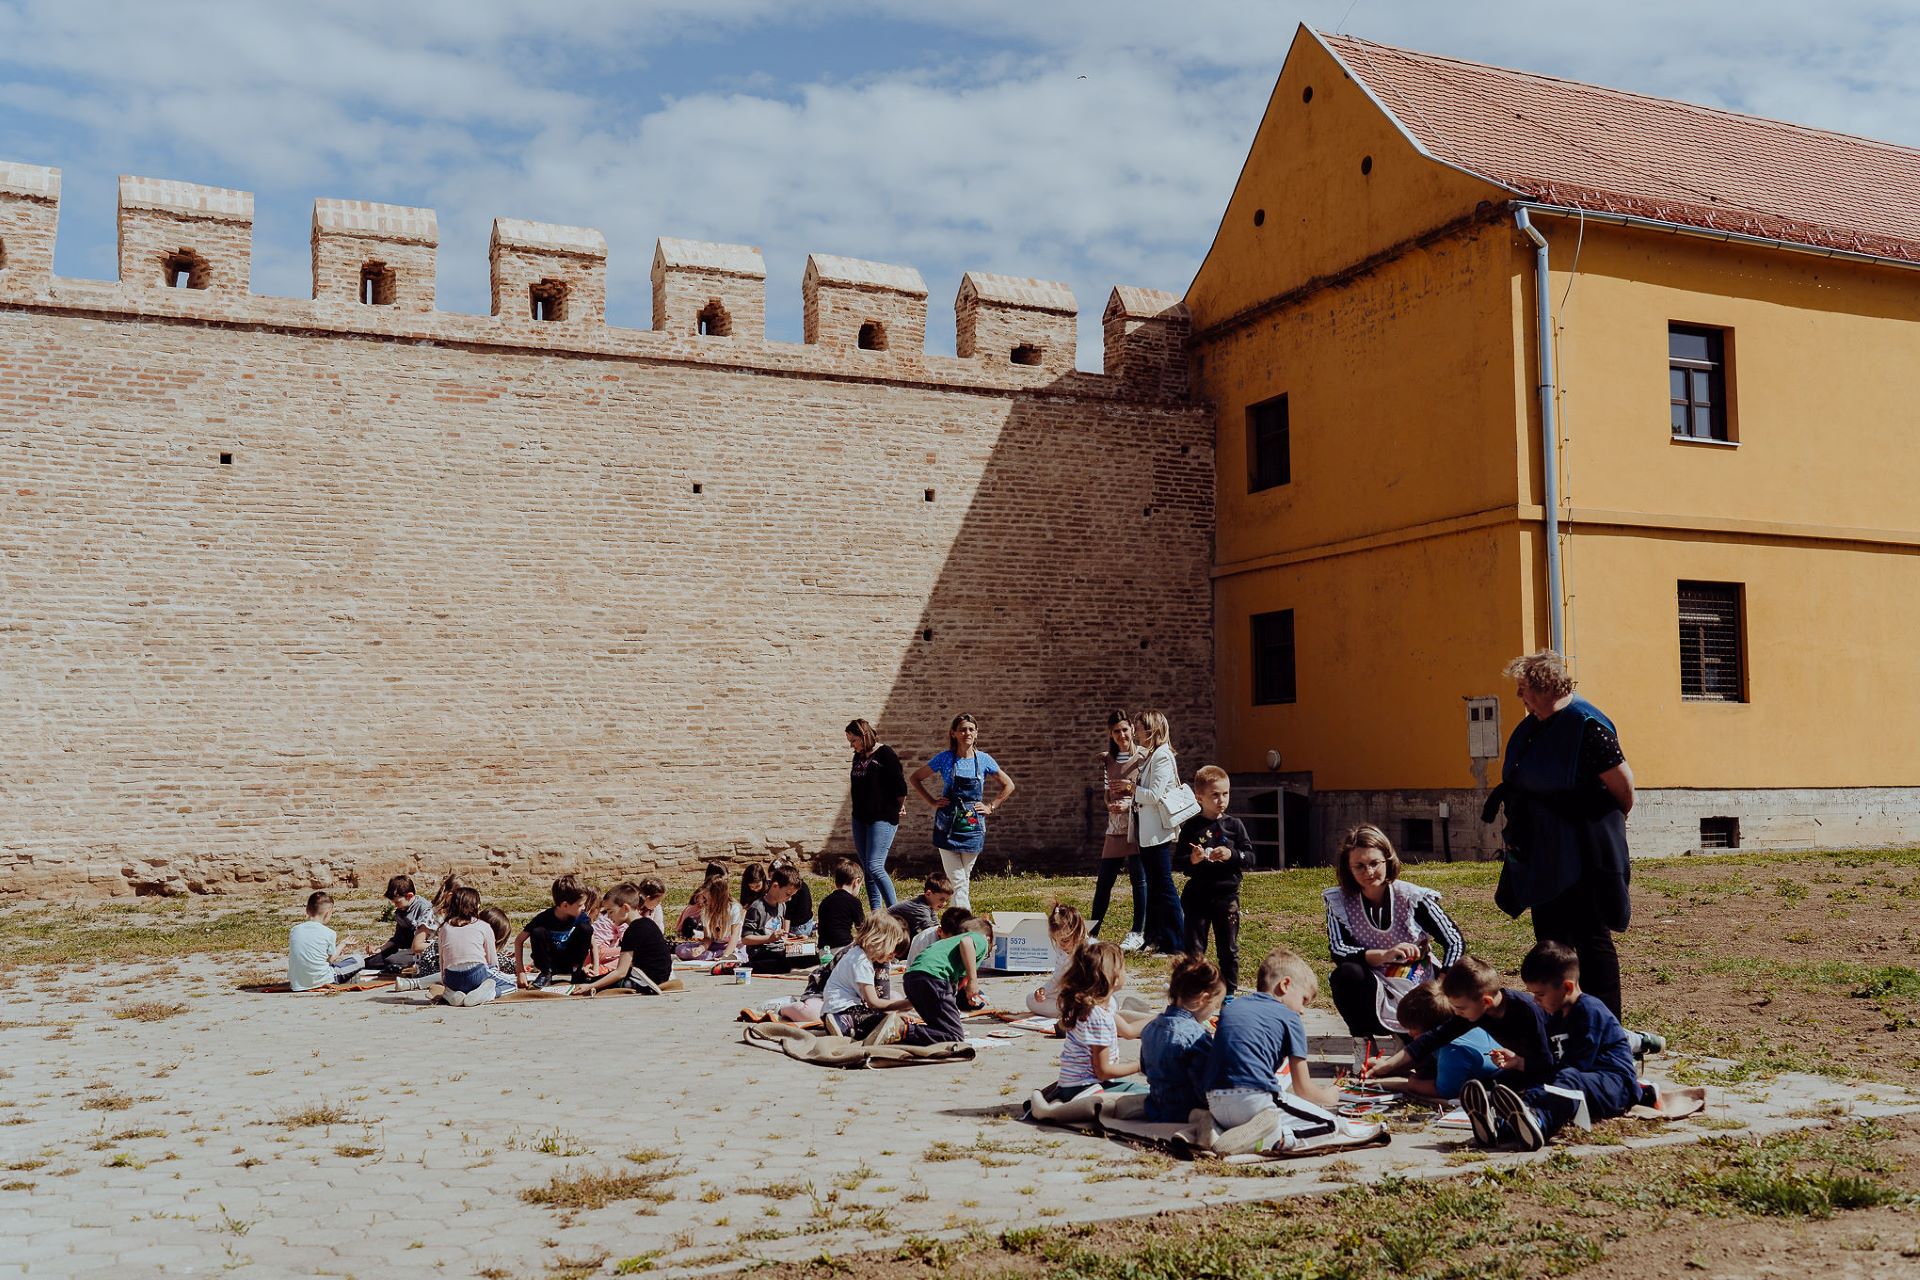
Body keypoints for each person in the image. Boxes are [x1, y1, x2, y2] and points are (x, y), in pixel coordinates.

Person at [1485, 649, 1634, 1020]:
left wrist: (1600, 826)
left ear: (1546, 686)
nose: (1520, 697)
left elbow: (1623, 788)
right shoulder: (1535, 726)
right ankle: (1559, 1017)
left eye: (1524, 689)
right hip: (1542, 852)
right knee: (1551, 939)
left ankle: (1604, 1022)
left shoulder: (1587, 725)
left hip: (1583, 853)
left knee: (1590, 938)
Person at [1200, 947, 1386, 1154]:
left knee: (1279, 1104)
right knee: (1332, 1125)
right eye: (1304, 1000)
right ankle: (1275, 1138)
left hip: (1214, 1101)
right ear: (1285, 985)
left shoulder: (1233, 1007)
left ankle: (1216, 1129)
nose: (1302, 1010)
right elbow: (1303, 1090)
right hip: (1254, 1099)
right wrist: (1330, 1096)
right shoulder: (1289, 1018)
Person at [1462, 941, 1643, 1151]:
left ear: (1567, 987)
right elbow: (1549, 1063)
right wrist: (1521, 1063)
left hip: (1614, 1086)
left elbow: (1576, 1066)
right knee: (1514, 1079)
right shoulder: (1552, 1016)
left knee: (1564, 1081)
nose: (1536, 1001)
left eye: (1540, 994)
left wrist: (1536, 1090)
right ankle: (1501, 1126)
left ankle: (1539, 1122)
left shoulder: (1589, 1011)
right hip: (1574, 1084)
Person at [1323, 824, 1466, 1060]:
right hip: (1372, 977)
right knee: (1345, 975)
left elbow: (1454, 939)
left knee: (1424, 1060)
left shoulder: (1412, 897)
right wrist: (1383, 954)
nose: (1368, 872)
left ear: (1388, 860)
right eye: (1359, 866)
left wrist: (1442, 984)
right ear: (1348, 869)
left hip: (1414, 977)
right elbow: (1339, 949)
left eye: (1374, 863)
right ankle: (1364, 1045)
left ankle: (1407, 1036)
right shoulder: (1338, 901)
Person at [1364, 955, 1554, 1089]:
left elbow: (1547, 1063)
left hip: (1555, 1068)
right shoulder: (1476, 1010)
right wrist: (1388, 1065)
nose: (1457, 1014)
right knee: (1487, 1087)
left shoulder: (1527, 1011)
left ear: (1486, 1001)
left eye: (1460, 1009)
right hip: (1522, 1065)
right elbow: (1434, 1038)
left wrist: (1520, 1062)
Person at [910, 712, 1016, 910]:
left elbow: (1008, 785)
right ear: (953, 734)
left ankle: (957, 920)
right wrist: (932, 802)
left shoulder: (984, 760)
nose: (967, 733)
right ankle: (963, 921)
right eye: (962, 730)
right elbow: (915, 778)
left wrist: (991, 806)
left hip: (973, 826)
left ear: (976, 733)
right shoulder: (944, 759)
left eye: (971, 729)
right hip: (946, 826)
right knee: (957, 878)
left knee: (963, 877)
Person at [1177, 765, 1254, 993]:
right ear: (1199, 797)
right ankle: (1195, 991)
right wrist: (1193, 859)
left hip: (1226, 895)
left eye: (1225, 794)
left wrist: (1232, 855)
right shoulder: (1191, 827)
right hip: (1197, 896)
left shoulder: (1234, 826)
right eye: (1215, 795)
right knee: (1195, 950)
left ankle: (1229, 992)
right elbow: (1178, 861)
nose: (1222, 800)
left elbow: (1250, 856)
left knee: (1228, 949)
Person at [1129, 709, 1192, 955]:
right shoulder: (1151, 756)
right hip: (1148, 832)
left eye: (1138, 727)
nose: (1135, 731)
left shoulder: (1163, 756)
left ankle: (1177, 941)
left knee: (1164, 886)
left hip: (1157, 832)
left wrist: (1132, 789)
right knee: (1155, 886)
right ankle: (1156, 937)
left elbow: (1154, 795)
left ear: (1151, 730)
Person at [1054, 940, 1144, 1100]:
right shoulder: (1098, 1017)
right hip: (1084, 1089)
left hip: (1073, 1085)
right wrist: (1141, 1066)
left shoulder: (1096, 1006)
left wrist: (1161, 1017)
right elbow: (1103, 1071)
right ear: (1114, 978)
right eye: (1123, 967)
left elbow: (1129, 1031)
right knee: (1151, 1095)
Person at [1140, 954, 1225, 1122]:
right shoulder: (1196, 1036)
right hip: (1186, 1111)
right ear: (1203, 999)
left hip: (1155, 1107)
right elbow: (1205, 1088)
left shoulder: (1151, 1027)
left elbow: (1144, 1068)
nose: (1214, 1011)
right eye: (1215, 1005)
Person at [1090, 709, 1148, 953]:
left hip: (1137, 825)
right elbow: (1106, 791)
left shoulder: (1145, 758)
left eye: (1125, 729)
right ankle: (1092, 931)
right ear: (1110, 734)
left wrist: (1129, 803)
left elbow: (1149, 792)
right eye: (1116, 731)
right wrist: (1110, 804)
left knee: (1139, 880)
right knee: (1104, 881)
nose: (1122, 735)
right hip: (1115, 827)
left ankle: (1138, 931)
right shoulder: (1108, 760)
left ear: (1132, 730)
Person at [1387, 983, 1497, 1100]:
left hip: (1496, 1087)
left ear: (1431, 1032)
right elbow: (1422, 1058)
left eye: (1413, 1029)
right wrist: (1391, 1066)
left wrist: (1412, 1084)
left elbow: (1444, 1091)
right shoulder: (1468, 1023)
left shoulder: (1451, 1050)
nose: (1409, 1033)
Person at [819, 914, 915, 1039]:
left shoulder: (857, 954)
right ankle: (843, 1023)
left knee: (883, 1019)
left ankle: (849, 1029)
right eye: (892, 948)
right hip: (844, 1010)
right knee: (885, 1021)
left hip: (836, 1008)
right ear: (879, 941)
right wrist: (906, 1004)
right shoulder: (862, 962)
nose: (893, 956)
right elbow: (873, 1003)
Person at [902, 916, 993, 1046]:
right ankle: (902, 1029)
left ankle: (902, 1030)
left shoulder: (947, 943)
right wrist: (973, 980)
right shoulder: (980, 938)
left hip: (912, 977)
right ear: (988, 938)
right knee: (954, 1035)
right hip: (934, 977)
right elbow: (967, 943)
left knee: (940, 1027)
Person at [571, 880, 674, 996]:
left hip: (645, 981)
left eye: (610, 912)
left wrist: (590, 986)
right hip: (660, 977)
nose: (609, 917)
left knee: (584, 981)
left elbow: (621, 972)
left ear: (625, 908)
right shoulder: (648, 923)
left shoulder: (633, 930)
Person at [847, 718, 908, 911]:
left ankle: (895, 912)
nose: (852, 745)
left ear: (864, 736)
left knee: (875, 866)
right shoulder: (858, 756)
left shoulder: (885, 754)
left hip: (882, 817)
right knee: (868, 868)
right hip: (860, 817)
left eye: (853, 740)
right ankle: (876, 913)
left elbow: (900, 787)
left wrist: (899, 806)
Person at [512, 875, 594, 988]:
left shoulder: (581, 918)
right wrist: (520, 972)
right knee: (537, 931)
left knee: (586, 929)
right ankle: (546, 974)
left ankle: (577, 973)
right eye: (580, 905)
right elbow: (519, 940)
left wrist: (596, 969)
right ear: (565, 905)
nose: (584, 907)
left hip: (570, 962)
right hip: (550, 962)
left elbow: (593, 944)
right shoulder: (543, 918)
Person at [430, 886, 499, 1007]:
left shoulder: (444, 928)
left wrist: (445, 981)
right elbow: (492, 961)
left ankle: (451, 995)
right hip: (476, 975)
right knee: (495, 983)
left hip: (452, 978)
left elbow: (442, 960)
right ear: (476, 905)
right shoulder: (483, 926)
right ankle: (483, 994)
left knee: (449, 990)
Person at [288, 891, 363, 991]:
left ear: (307, 910)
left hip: (297, 983)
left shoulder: (295, 930)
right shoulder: (329, 933)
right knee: (358, 959)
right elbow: (330, 960)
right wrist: (343, 944)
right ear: (328, 913)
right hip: (323, 980)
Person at [1026, 902, 1088, 1019]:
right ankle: (1071, 1012)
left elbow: (1095, 985)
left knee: (1084, 1005)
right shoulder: (1062, 950)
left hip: (1089, 999)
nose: (1060, 945)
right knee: (1030, 999)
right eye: (1056, 940)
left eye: (1064, 940)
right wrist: (1044, 991)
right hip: (1068, 1000)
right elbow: (1057, 978)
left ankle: (1076, 1012)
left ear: (1077, 932)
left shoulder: (1090, 951)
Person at [364, 874, 437, 974]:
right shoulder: (402, 910)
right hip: (405, 948)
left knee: (392, 961)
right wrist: (380, 949)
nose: (396, 905)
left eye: (397, 902)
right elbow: (397, 939)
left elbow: (421, 943)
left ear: (409, 896)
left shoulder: (424, 909)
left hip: (420, 950)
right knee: (370, 962)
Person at [677, 875, 744, 962]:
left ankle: (726, 956)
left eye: (706, 898)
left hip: (733, 946)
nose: (703, 902)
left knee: (740, 953)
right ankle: (716, 956)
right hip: (714, 945)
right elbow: (708, 938)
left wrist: (725, 955)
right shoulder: (706, 910)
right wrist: (700, 949)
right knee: (680, 949)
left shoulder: (734, 908)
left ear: (717, 897)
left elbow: (734, 937)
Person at [816, 861, 867, 951]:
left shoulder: (825, 901)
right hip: (843, 947)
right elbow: (862, 928)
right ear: (856, 882)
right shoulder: (853, 902)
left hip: (823, 949)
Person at [888, 874, 954, 939]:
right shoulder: (920, 908)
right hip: (886, 929)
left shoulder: (929, 905)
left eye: (946, 900)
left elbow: (936, 926)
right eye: (941, 899)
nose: (944, 903)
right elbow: (932, 932)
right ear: (928, 894)